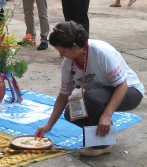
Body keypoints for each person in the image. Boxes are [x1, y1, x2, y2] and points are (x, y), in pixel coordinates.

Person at [35, 21, 144, 157]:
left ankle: (102, 145)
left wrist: (106, 115)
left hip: (129, 92)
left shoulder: (101, 52)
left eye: (63, 51)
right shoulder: (68, 64)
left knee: (91, 97)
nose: (61, 55)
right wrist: (48, 126)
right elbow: (63, 96)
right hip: (101, 94)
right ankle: (106, 135)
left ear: (74, 47)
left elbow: (122, 85)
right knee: (72, 113)